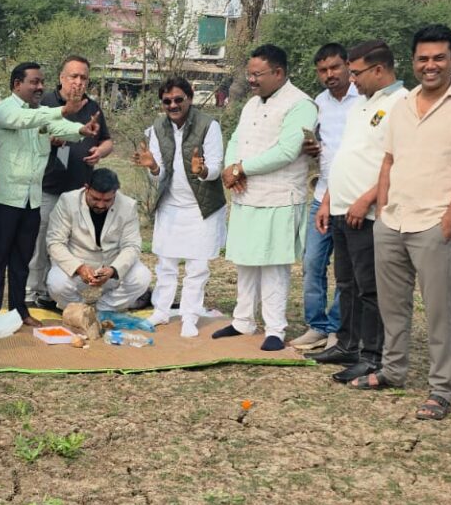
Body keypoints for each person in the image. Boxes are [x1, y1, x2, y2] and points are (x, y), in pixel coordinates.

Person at [352, 24, 451, 423]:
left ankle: (441, 388)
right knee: (393, 307)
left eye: (439, 58)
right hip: (392, 221)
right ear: (413, 62)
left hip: (433, 224)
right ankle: (393, 371)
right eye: (423, 58)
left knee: (438, 312)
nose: (431, 65)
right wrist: (383, 210)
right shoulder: (402, 104)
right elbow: (389, 161)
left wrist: (449, 219)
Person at [212, 44, 318, 352]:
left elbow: (287, 151)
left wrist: (242, 168)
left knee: (273, 264)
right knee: (245, 260)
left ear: (278, 72)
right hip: (246, 194)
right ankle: (243, 320)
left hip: (279, 196)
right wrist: (231, 168)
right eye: (249, 74)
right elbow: (236, 138)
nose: (251, 80)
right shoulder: (252, 103)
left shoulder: (301, 104)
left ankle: (275, 328)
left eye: (257, 74)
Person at [316, 40, 406, 384]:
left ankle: (372, 356)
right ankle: (347, 344)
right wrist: (328, 200)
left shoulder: (401, 103)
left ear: (378, 69)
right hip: (340, 206)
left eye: (356, 72)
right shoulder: (363, 105)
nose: (351, 79)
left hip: (365, 212)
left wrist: (367, 199)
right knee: (346, 284)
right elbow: (346, 155)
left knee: (369, 288)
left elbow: (395, 161)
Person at [0, 62, 96, 325]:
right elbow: (27, 120)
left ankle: (19, 312)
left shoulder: (40, 113)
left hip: (31, 200)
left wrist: (81, 130)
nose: (40, 87)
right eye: (34, 82)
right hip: (3, 200)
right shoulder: (5, 109)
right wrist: (63, 110)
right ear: (17, 84)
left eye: (42, 82)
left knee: (22, 260)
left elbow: (57, 128)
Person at [132, 77, 225, 337]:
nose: (172, 105)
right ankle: (162, 311)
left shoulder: (209, 125)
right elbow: (159, 174)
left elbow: (216, 167)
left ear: (190, 98)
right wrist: (152, 166)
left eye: (178, 100)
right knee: (166, 262)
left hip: (201, 207)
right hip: (171, 204)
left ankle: (190, 316)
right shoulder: (157, 128)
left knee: (197, 266)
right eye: (167, 101)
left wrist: (202, 170)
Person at [27, 55, 113, 310]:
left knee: (68, 245)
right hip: (48, 188)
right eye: (73, 76)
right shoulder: (45, 102)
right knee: (40, 241)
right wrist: (49, 140)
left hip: (80, 192)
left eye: (83, 77)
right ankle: (31, 292)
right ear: (62, 78)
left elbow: (107, 140)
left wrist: (100, 151)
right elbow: (29, 137)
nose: (78, 82)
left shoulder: (92, 107)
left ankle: (54, 293)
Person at [293, 43, 361, 353]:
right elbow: (319, 147)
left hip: (352, 197)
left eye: (335, 67)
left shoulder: (364, 100)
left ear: (347, 65)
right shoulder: (318, 103)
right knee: (312, 262)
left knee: (346, 269)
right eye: (323, 70)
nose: (329, 74)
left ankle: (337, 327)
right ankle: (316, 326)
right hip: (322, 194)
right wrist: (311, 149)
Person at [44, 168, 151, 308]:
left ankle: (105, 307)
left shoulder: (128, 205)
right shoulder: (68, 201)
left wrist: (113, 270)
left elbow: (132, 246)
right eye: (95, 199)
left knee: (142, 277)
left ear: (115, 192)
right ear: (86, 188)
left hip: (112, 263)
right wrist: (79, 267)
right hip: (77, 263)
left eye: (107, 200)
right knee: (56, 284)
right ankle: (79, 309)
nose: (101, 205)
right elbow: (55, 243)